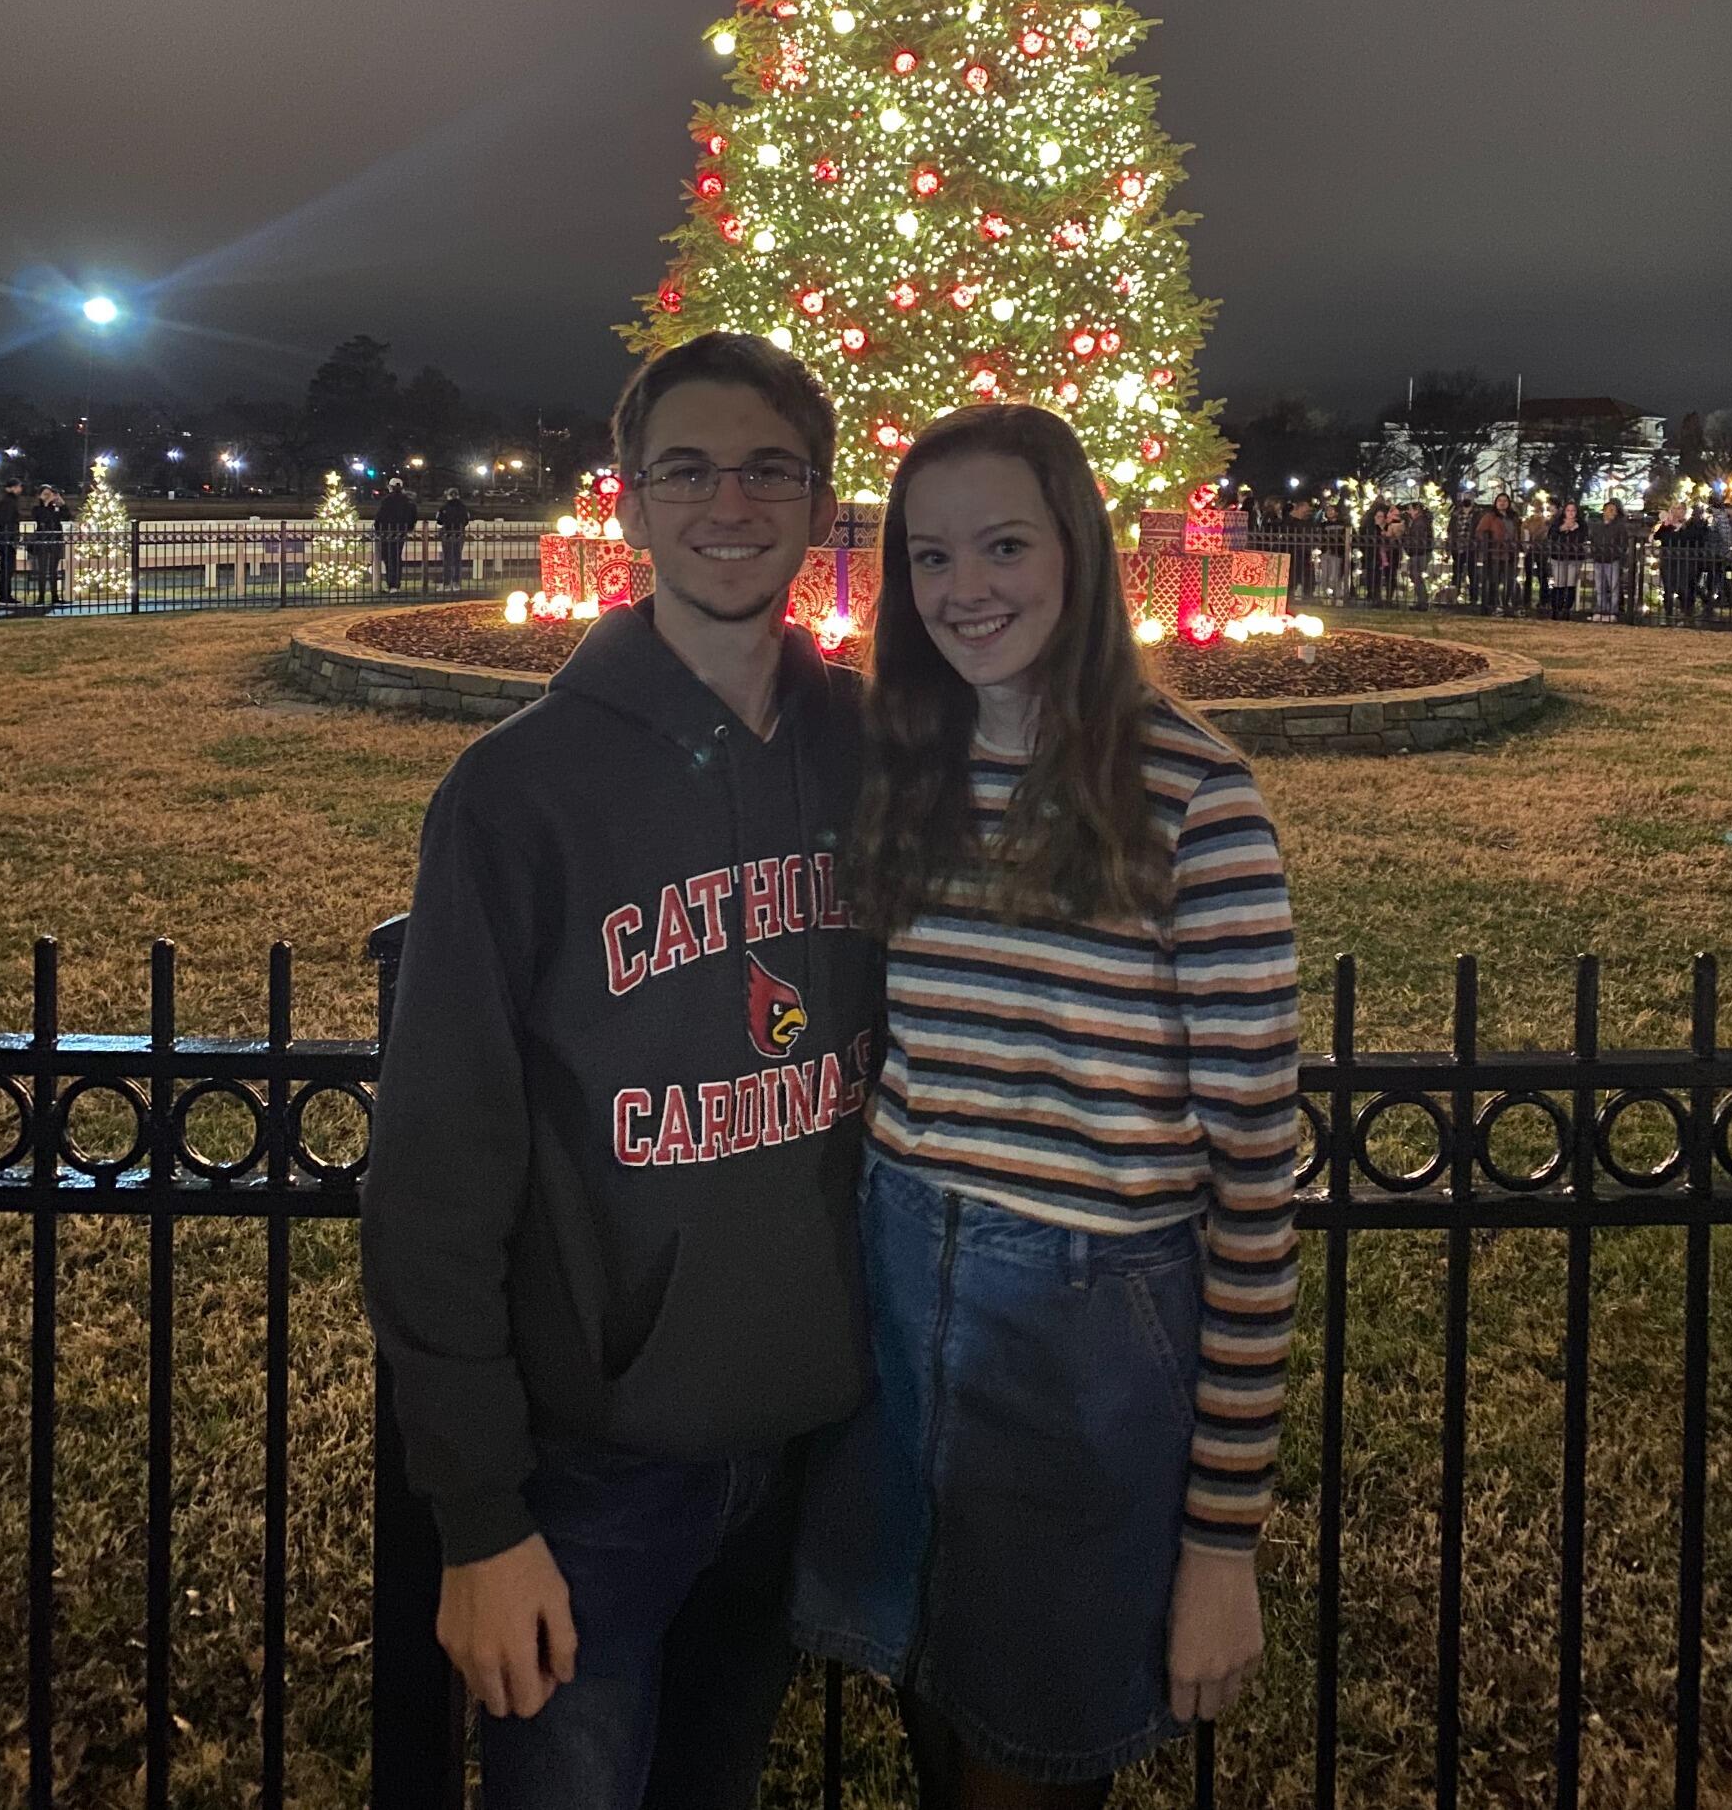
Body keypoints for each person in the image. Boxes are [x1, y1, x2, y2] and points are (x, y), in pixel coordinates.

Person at [360, 334, 882, 1810]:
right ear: (633, 503)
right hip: (592, 1478)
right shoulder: (518, 794)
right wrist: (478, 1521)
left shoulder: (871, 751)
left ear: (819, 499)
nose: (730, 501)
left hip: (799, 1444)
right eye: (688, 468)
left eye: (769, 466)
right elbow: (437, 1179)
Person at [792, 403, 1300, 1810]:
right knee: (933, 1708)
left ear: (1076, 550)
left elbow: (1253, 1186)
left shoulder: (1195, 800)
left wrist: (1217, 1542)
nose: (964, 592)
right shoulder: (907, 772)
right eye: (930, 557)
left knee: (1024, 1758)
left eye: (1003, 545)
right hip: (896, 1293)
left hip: (1085, 1328)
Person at [1475, 493, 1519, 615]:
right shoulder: (1490, 517)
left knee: (1510, 580)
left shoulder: (1513, 517)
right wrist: (1490, 542)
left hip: (1509, 553)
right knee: (1493, 581)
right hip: (1494, 553)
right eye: (1500, 500)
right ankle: (1492, 606)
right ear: (1495, 502)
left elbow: (1516, 532)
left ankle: (1506, 604)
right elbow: (1480, 532)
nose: (1502, 503)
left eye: (1505, 500)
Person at [374, 476, 420, 592]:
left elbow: (379, 517)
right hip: (401, 533)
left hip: (387, 533)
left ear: (391, 487)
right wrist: (408, 528)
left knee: (389, 559)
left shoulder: (386, 501)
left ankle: (391, 584)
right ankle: (396, 584)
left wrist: (378, 530)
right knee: (397, 557)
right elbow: (413, 517)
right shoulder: (408, 502)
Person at [1589, 499, 1631, 622]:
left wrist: (1617, 555)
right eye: (1610, 510)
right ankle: (1601, 609)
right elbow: (1592, 541)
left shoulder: (1619, 527)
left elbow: (1623, 544)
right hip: (1599, 559)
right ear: (1604, 511)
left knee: (1614, 588)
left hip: (1613, 560)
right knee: (1600, 587)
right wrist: (1594, 553)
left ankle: (1613, 611)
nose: (1613, 513)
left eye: (1615, 511)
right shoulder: (1597, 526)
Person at [1546, 502, 1589, 619]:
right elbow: (1551, 536)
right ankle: (1556, 608)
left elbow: (1583, 537)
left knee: (1570, 584)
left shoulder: (1581, 524)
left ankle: (1567, 609)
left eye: (1573, 510)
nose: (1571, 513)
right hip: (1559, 556)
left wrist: (1574, 529)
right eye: (1568, 510)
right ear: (1564, 512)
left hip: (1574, 557)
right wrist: (1562, 529)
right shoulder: (1557, 523)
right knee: (1559, 583)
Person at [29, 486, 67, 609]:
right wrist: (45, 503)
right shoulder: (37, 509)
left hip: (55, 541)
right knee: (42, 571)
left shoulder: (55, 508)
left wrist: (61, 503)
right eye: (45, 494)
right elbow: (41, 518)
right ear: (40, 496)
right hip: (42, 542)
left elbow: (66, 516)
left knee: (54, 571)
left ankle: (55, 597)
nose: (48, 496)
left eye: (49, 494)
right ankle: (41, 597)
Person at [437, 488, 473, 591]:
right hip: (459, 534)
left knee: (447, 559)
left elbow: (439, 521)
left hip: (447, 534)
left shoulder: (444, 507)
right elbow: (466, 521)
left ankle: (447, 583)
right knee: (457, 559)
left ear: (448, 495)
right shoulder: (463, 507)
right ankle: (456, 583)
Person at [1447, 491, 1478, 606]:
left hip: (1471, 547)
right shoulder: (1455, 514)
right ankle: (1454, 597)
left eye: (1469, 497)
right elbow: (1450, 530)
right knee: (1457, 573)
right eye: (1465, 497)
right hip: (1457, 547)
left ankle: (1473, 598)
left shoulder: (1477, 514)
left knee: (1472, 573)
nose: (1467, 499)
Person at [1401, 500, 1433, 609]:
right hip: (1419, 552)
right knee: (1415, 576)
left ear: (1416, 510)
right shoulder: (1420, 521)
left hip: (1418, 552)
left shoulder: (1419, 522)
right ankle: (1421, 601)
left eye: (1410, 509)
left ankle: (1422, 602)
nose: (1409, 512)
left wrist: (1406, 539)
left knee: (1416, 576)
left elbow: (1416, 539)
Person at [0, 479, 22, 608]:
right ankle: (5, 596)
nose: (20, 489)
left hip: (5, 538)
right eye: (17, 487)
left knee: (7, 569)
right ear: (11, 488)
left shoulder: (6, 501)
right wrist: (11, 538)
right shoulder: (8, 503)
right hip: (6, 539)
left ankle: (6, 595)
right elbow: (6, 521)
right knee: (7, 569)